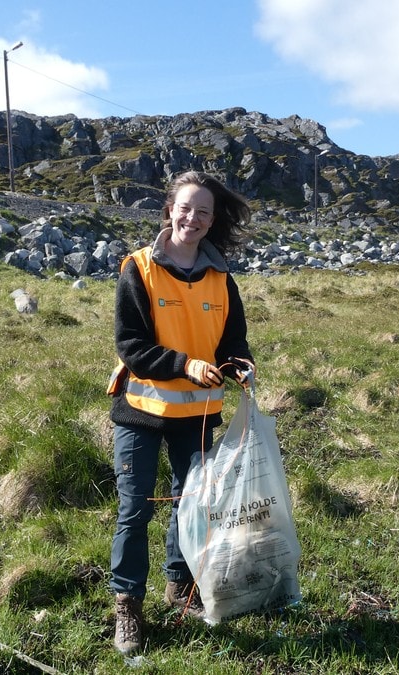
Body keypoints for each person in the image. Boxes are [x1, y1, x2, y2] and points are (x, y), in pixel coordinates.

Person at [106, 170, 255, 655]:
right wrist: (185, 365)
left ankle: (178, 587)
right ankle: (127, 605)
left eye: (204, 212)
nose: (193, 218)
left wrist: (240, 367)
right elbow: (131, 346)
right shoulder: (140, 268)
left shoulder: (221, 278)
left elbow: (233, 342)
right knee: (134, 510)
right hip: (142, 411)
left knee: (187, 504)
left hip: (199, 413)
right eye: (185, 208)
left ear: (212, 222)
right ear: (169, 209)